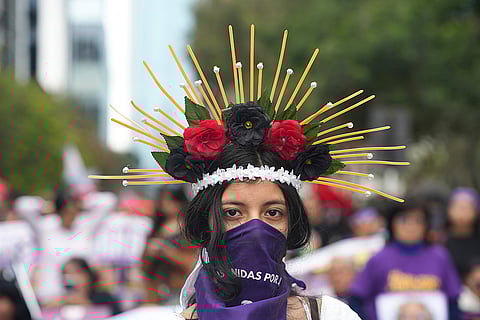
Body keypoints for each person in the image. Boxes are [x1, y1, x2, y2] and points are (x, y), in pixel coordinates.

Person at [92, 24, 409, 319]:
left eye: (272, 213)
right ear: (207, 221)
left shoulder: (331, 316)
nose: (255, 227)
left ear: (291, 222)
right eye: (232, 212)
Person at [348, 197, 462, 320]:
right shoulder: (378, 259)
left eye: (418, 221)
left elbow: (453, 301)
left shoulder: (440, 257)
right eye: (404, 220)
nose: (411, 226)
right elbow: (356, 299)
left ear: (426, 225)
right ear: (392, 223)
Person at [445, 188, 480, 277]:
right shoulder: (437, 240)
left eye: (467, 208)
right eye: (458, 207)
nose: (462, 212)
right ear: (449, 210)